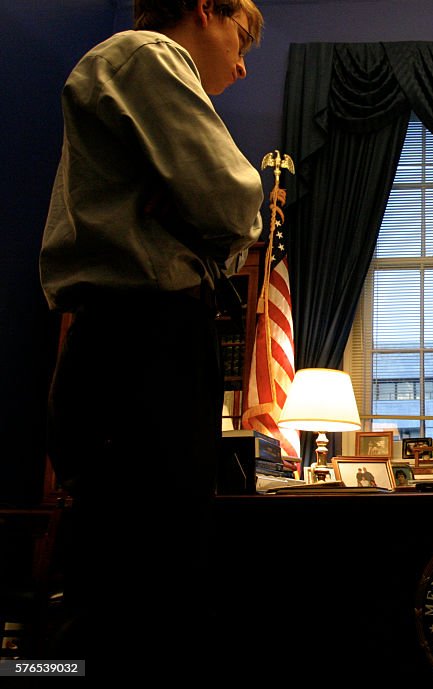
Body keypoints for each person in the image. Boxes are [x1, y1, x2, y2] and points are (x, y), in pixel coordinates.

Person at [40, 0, 265, 665]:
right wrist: (222, 219)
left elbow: (220, 242)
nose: (244, 63)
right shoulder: (148, 55)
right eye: (240, 37)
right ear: (204, 9)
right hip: (140, 341)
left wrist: (209, 226)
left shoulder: (137, 71)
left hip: (139, 337)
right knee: (143, 573)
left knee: (144, 564)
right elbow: (236, 200)